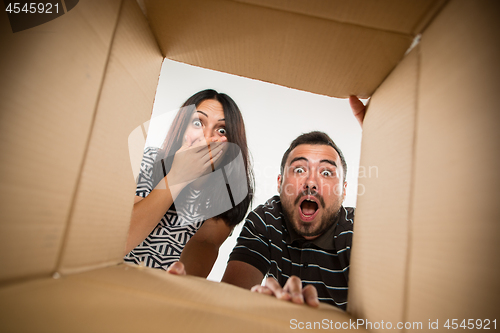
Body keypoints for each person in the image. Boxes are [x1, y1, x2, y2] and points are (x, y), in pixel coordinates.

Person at [167, 96, 366, 308]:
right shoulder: (266, 220)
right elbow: (231, 303)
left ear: (344, 191)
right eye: (299, 169)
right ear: (280, 184)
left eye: (326, 172)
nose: (311, 182)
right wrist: (263, 311)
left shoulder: (361, 230)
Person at [124, 89, 254, 278]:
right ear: (182, 128)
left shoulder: (226, 197)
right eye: (197, 123)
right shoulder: (149, 162)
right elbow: (121, 239)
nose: (206, 137)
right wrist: (177, 176)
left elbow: (195, 267)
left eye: (221, 130)